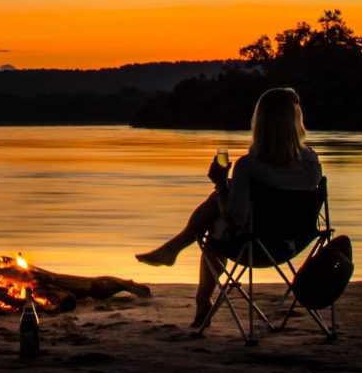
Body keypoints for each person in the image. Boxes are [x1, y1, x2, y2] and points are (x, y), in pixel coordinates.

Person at [135, 86, 323, 327]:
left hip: (255, 247)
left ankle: (201, 297)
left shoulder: (248, 166)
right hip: (293, 244)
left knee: (216, 231)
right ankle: (174, 249)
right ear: (296, 121)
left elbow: (236, 221)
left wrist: (221, 184)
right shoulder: (312, 162)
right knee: (222, 202)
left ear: (260, 123)